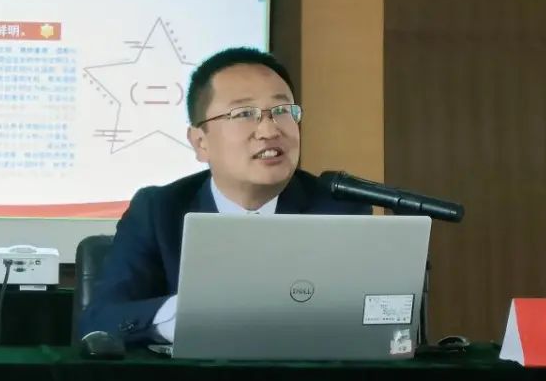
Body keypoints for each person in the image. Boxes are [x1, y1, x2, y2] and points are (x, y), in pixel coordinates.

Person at [77, 46, 370, 345]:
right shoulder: (158, 212)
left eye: (282, 111)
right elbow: (99, 321)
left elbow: (371, 322)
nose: (269, 131)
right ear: (200, 142)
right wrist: (187, 313)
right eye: (244, 114)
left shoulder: (339, 209)